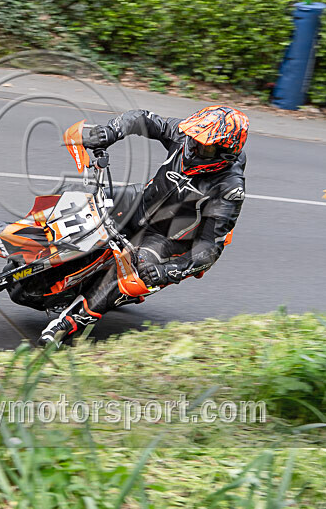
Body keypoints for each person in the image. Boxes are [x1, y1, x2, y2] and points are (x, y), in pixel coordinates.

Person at [37, 105, 249, 347]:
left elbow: (209, 250)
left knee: (129, 275)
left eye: (205, 146)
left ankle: (67, 325)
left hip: (165, 236)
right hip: (140, 201)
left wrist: (168, 271)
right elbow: (143, 118)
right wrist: (109, 132)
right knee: (75, 197)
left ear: (226, 153)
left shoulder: (230, 189)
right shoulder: (185, 136)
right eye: (194, 139)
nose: (193, 147)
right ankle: (27, 242)